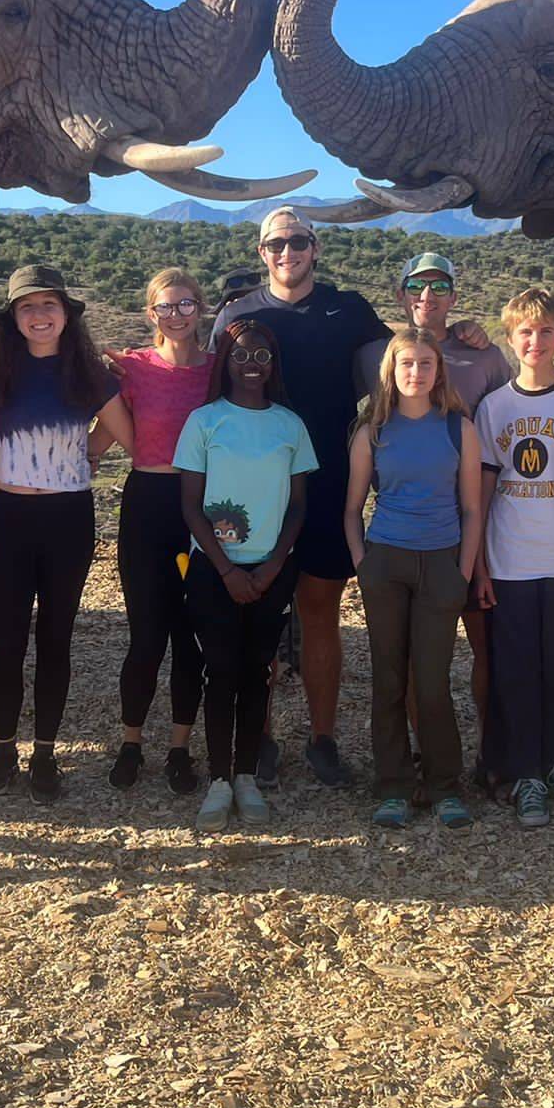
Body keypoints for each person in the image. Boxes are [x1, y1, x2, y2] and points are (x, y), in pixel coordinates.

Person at [210, 207, 390, 788]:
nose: (287, 252)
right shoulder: (238, 315)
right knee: (258, 617)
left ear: (315, 248)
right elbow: (207, 398)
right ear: (261, 252)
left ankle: (322, 739)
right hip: (254, 490)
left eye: (298, 242)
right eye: (276, 243)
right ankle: (257, 738)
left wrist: (464, 337)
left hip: (329, 481)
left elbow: (406, 365)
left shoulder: (351, 311)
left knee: (319, 614)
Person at [0, 265, 134, 803]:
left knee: (56, 637)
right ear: (13, 318)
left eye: (49, 305)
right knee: (5, 638)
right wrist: (6, 464)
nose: (39, 315)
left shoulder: (88, 373)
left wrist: (90, 452)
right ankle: (3, 748)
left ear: (66, 314)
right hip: (7, 516)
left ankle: (44, 752)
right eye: (27, 307)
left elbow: (125, 431)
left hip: (67, 519)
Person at [355, 251, 513, 769]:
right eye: (417, 288)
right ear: (400, 295)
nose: (427, 298)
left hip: (469, 530)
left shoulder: (484, 356)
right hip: (398, 541)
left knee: (478, 654)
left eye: (439, 287)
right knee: (402, 670)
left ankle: (491, 759)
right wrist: (364, 561)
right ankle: (408, 767)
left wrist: (469, 565)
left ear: (454, 295)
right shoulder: (377, 354)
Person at [175, 319, 315, 833]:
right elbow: (191, 506)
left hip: (273, 569)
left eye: (262, 355)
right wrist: (228, 569)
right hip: (215, 570)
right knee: (220, 671)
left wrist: (275, 562)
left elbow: (299, 506)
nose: (252, 365)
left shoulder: (290, 426)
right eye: (241, 355)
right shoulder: (205, 422)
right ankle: (217, 780)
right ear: (225, 361)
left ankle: (247, 775)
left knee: (260, 672)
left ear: (273, 363)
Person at [345, 326, 484, 829]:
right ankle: (393, 786)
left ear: (438, 371)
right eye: (407, 363)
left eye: (426, 364)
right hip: (386, 563)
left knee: (432, 683)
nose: (416, 373)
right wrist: (363, 564)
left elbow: (472, 507)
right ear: (392, 370)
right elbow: (353, 508)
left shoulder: (458, 429)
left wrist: (462, 571)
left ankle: (445, 786)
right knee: (388, 678)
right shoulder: (372, 431)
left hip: (441, 564)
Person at [474, 288, 554, 827]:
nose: (535, 341)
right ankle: (524, 772)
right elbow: (482, 492)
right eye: (525, 332)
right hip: (511, 559)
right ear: (511, 338)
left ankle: (553, 761)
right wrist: (479, 564)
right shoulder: (494, 407)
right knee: (517, 670)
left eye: (546, 331)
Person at [103, 268, 213, 795]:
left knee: (190, 637)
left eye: (185, 305)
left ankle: (179, 749)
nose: (176, 315)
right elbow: (95, 438)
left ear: (201, 308)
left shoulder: (219, 372)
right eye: (165, 307)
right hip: (147, 506)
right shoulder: (131, 368)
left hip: (203, 509)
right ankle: (130, 744)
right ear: (151, 314)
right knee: (146, 634)